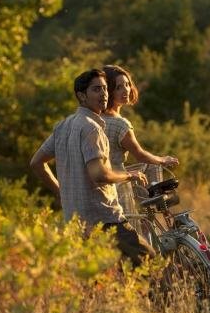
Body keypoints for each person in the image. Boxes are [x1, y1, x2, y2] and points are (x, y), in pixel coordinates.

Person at [29, 68, 154, 266]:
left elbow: (37, 163)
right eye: (96, 90)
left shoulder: (63, 126)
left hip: (75, 222)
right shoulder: (91, 128)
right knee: (151, 263)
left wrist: (60, 192)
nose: (104, 94)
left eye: (105, 89)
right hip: (104, 220)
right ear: (81, 96)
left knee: (100, 280)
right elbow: (99, 175)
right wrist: (130, 175)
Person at [101, 64, 179, 215]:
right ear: (109, 92)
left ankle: (149, 205)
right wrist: (163, 160)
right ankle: (151, 209)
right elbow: (139, 154)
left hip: (103, 177)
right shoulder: (120, 124)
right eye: (118, 88)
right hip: (117, 181)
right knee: (154, 162)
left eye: (127, 84)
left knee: (151, 165)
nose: (125, 90)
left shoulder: (96, 118)